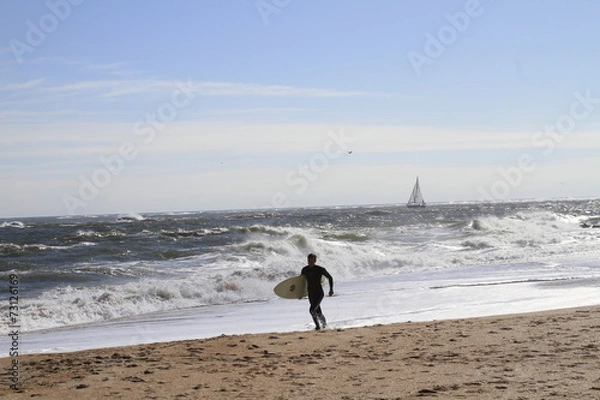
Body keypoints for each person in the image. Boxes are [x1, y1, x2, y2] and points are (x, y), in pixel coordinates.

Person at [301, 253, 334, 330]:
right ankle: (325, 325)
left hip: (319, 293)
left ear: (315, 260)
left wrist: (331, 289)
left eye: (312, 260)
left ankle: (318, 327)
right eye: (309, 260)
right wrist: (300, 293)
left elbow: (330, 277)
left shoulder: (320, 269)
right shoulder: (304, 270)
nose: (310, 262)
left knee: (312, 310)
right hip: (310, 293)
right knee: (318, 312)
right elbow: (301, 282)